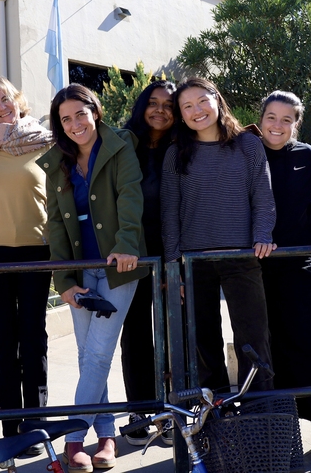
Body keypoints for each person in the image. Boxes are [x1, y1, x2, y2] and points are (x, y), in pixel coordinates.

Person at [37, 84, 146, 472]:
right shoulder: (57, 164)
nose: (74, 124)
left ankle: (72, 439)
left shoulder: (120, 146)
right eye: (65, 119)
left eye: (79, 114)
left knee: (98, 353)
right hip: (80, 270)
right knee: (89, 358)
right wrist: (63, 281)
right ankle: (106, 437)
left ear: (95, 111)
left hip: (120, 268)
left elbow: (131, 197)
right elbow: (54, 223)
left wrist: (128, 244)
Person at [160, 77, 275, 393]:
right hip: (195, 260)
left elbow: (262, 196)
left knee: (253, 337)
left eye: (202, 101)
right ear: (181, 115)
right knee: (203, 342)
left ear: (217, 100)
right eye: (187, 106)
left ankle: (258, 414)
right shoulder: (176, 154)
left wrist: (262, 234)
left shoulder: (248, 145)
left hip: (242, 256)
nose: (196, 110)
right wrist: (173, 265)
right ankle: (216, 418)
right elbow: (170, 212)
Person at [258, 90, 311, 465]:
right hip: (250, 269)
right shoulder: (245, 152)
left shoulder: (307, 156)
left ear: (297, 124)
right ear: (261, 119)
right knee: (263, 346)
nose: (278, 125)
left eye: (286, 119)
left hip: (297, 266)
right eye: (271, 117)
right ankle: (274, 427)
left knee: (304, 341)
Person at [0, 77, 53, 451]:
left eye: (5, 99)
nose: (1, 107)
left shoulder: (45, 140)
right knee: (4, 339)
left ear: (18, 100)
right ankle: (10, 425)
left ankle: (35, 423)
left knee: (34, 337)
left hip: (36, 251)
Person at [119, 79, 175, 447]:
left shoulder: (183, 147)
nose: (159, 110)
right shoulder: (124, 144)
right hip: (132, 251)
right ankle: (140, 409)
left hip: (173, 250)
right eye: (152, 103)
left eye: (168, 105)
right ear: (142, 106)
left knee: (174, 334)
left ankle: (173, 410)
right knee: (136, 332)